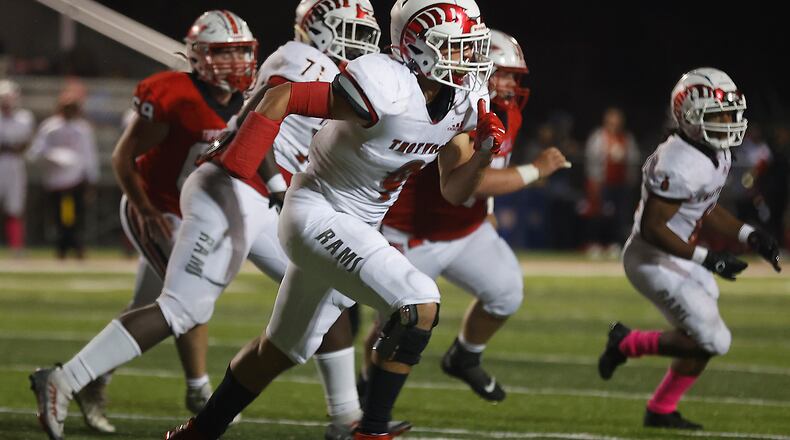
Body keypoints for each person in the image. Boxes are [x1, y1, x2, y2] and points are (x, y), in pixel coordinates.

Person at [27, 6, 396, 440]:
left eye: (364, 33)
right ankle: (64, 379)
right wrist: (279, 186)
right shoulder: (297, 57)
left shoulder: (337, 73)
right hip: (233, 185)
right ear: (316, 31)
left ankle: (346, 420)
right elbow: (260, 122)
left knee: (327, 291)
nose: (358, 42)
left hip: (263, 198)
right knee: (185, 308)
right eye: (350, 31)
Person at [164, 0, 503, 438]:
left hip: (356, 228)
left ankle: (200, 431)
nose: (471, 59)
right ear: (419, 48)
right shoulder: (387, 85)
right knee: (417, 301)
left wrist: (483, 156)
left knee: (281, 349)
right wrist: (239, 161)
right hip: (316, 212)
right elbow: (280, 95)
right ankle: (372, 430)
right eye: (458, 47)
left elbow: (454, 190)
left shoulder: (464, 98)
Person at [53, 10, 257, 435]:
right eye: (225, 53)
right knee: (189, 299)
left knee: (152, 305)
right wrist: (145, 210)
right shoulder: (174, 93)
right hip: (156, 206)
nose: (237, 62)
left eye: (242, 51)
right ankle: (200, 389)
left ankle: (93, 381)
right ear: (199, 56)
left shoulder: (250, 98)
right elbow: (122, 158)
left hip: (192, 213)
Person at [357, 29, 568, 403]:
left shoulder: (507, 112)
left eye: (513, 77)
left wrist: (485, 212)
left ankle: (464, 356)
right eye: (501, 73)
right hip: (412, 233)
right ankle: (364, 391)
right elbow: (471, 180)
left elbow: (491, 163)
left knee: (505, 294)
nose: (508, 85)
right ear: (478, 68)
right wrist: (536, 170)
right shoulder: (456, 107)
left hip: (465, 230)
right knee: (396, 326)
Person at [597, 67, 781, 430]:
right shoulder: (679, 162)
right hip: (651, 258)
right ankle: (627, 343)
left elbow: (704, 206)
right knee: (715, 339)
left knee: (703, 335)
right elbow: (652, 229)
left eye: (731, 114)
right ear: (690, 116)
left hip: (677, 254)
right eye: (719, 115)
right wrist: (709, 258)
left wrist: (749, 234)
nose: (729, 122)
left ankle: (660, 410)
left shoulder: (713, 151)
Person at [27, 82, 98, 259]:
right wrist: (53, 157)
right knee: (60, 216)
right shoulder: (50, 127)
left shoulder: (82, 129)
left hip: (75, 181)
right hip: (56, 180)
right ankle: (62, 247)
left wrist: (90, 179)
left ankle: (76, 245)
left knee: (75, 216)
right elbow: (36, 151)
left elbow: (89, 155)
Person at [583, 106, 640, 258]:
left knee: (619, 217)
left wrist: (630, 180)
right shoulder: (598, 137)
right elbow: (591, 159)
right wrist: (594, 181)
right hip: (602, 183)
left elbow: (634, 160)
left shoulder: (626, 138)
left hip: (620, 184)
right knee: (598, 215)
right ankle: (594, 243)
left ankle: (614, 244)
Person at [0, 79, 34, 254]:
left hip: (14, 165)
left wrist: (10, 147)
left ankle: (16, 246)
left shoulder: (24, 118)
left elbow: (24, 144)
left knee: (15, 207)